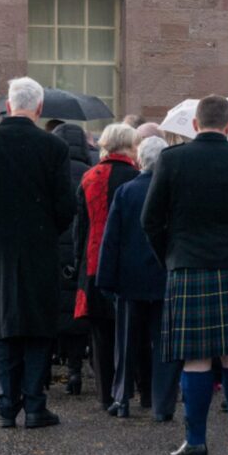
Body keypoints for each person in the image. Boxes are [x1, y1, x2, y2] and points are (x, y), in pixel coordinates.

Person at [142, 94, 228, 455]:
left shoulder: (172, 160)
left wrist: (170, 257)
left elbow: (149, 221)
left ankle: (197, 443)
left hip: (188, 268)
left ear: (195, 125)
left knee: (196, 358)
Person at [0, 77, 76, 431]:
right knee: (38, 326)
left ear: (8, 106)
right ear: (39, 109)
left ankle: (7, 405)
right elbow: (65, 206)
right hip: (39, 248)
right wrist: (45, 232)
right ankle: (36, 405)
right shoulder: (53, 148)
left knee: (3, 324)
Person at [97, 136, 177, 421]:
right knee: (164, 345)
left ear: (140, 160)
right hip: (165, 277)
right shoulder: (172, 193)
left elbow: (112, 239)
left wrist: (105, 279)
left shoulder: (126, 191)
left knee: (127, 343)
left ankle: (122, 398)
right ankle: (162, 403)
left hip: (130, 279)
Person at [74, 123, 142, 410]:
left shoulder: (90, 177)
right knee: (130, 332)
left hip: (94, 264)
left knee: (100, 334)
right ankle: (131, 389)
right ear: (130, 146)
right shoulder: (137, 178)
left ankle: (105, 394)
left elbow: (81, 227)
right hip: (131, 265)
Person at [51, 121, 96, 396]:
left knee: (52, 309)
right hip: (80, 251)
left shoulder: (50, 171)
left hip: (54, 247)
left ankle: (46, 369)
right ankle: (75, 372)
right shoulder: (90, 173)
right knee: (78, 314)